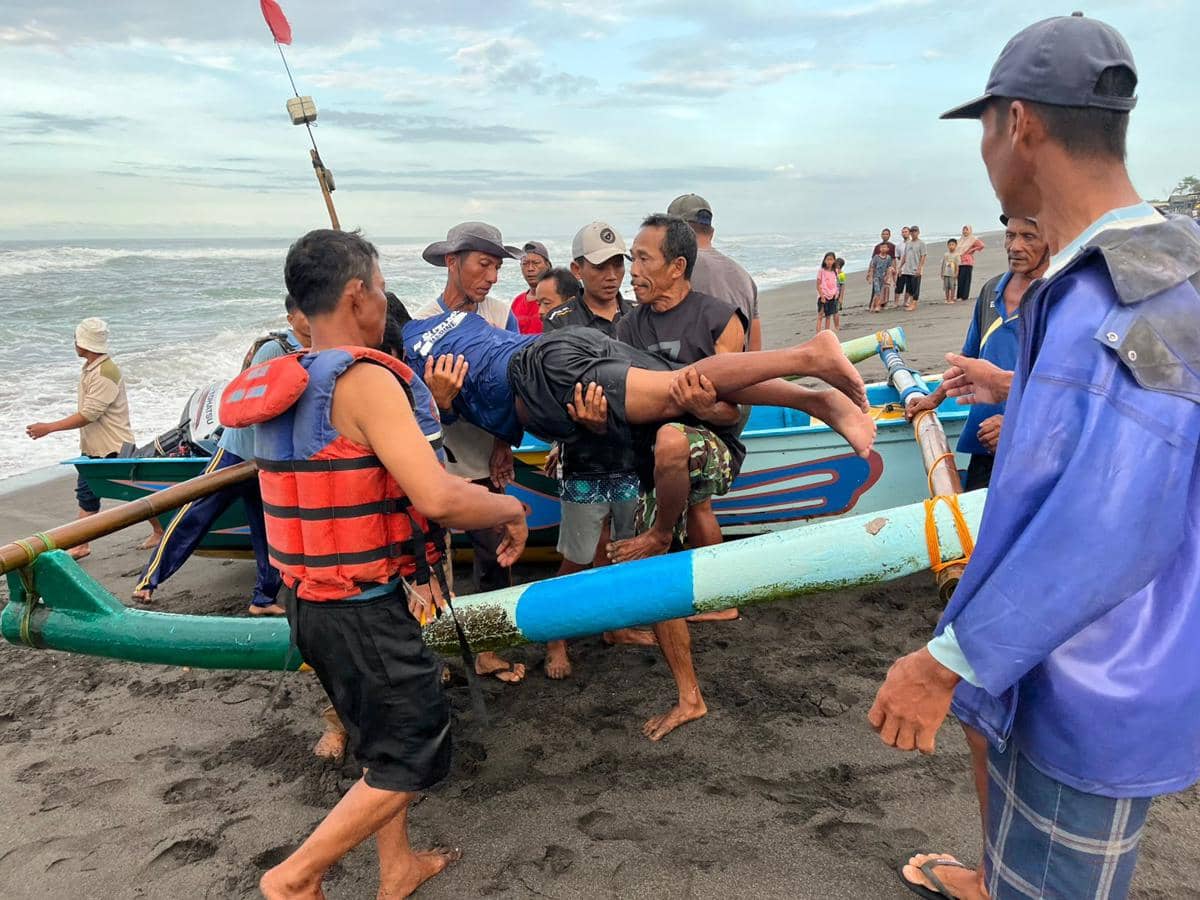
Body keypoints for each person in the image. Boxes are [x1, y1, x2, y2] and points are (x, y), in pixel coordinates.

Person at [868, 15, 1200, 900]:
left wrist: (946, 661)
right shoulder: (1150, 268)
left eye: (984, 126)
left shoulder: (1127, 298)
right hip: (1068, 663)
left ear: (1020, 123)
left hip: (1094, 681)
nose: (984, 147)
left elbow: (1112, 530)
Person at [229, 229, 527, 900]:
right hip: (360, 609)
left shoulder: (284, 380)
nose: (385, 296)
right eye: (380, 284)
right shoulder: (363, 381)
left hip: (309, 603)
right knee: (416, 751)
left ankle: (398, 865)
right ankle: (295, 878)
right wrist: (506, 511)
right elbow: (438, 497)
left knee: (377, 743)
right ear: (359, 294)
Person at [131, 298, 312, 615]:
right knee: (196, 515)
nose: (312, 320)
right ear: (291, 317)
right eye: (304, 314)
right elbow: (253, 402)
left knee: (269, 530)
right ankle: (148, 580)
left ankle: (263, 599)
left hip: (269, 459)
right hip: (238, 451)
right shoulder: (275, 348)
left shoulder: (318, 349)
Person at [414, 222, 530, 685]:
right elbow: (404, 412)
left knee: (494, 558)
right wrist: (437, 401)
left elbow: (519, 389)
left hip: (485, 462)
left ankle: (488, 649)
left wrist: (505, 443)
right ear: (452, 262)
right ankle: (437, 656)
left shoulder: (503, 316)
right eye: (484, 264)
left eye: (497, 267)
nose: (493, 277)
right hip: (434, 466)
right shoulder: (419, 324)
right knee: (431, 564)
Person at [540, 222, 638, 680]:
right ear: (578, 268)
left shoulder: (636, 316)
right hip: (583, 455)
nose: (611, 274)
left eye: (618, 263)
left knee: (620, 547)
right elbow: (548, 391)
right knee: (577, 553)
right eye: (600, 265)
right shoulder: (560, 323)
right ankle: (554, 636)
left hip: (631, 454)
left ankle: (613, 627)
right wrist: (572, 425)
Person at [907, 215, 1049, 491]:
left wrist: (1014, 423)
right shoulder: (990, 291)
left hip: (1035, 446)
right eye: (1010, 235)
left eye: (1028, 237)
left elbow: (1069, 386)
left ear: (1053, 240)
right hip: (984, 440)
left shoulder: (1062, 298)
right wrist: (933, 398)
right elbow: (968, 359)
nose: (1015, 246)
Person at [24, 317, 154, 560]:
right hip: (98, 446)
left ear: (85, 343)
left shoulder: (105, 373)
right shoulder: (93, 368)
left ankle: (86, 543)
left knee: (131, 492)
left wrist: (49, 428)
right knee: (93, 492)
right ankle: (83, 543)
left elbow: (89, 414)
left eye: (77, 339)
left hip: (113, 447)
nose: (74, 343)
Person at [667, 193, 762, 350]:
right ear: (711, 232)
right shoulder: (745, 277)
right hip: (739, 370)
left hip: (696, 373)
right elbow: (755, 352)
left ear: (673, 233)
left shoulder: (677, 272)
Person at [510, 240, 552, 334]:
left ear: (548, 265)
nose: (530, 269)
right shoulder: (517, 301)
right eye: (525, 264)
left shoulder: (557, 299)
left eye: (536, 263)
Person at [868, 228, 897, 311]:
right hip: (877, 273)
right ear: (881, 235)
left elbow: (893, 259)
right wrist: (869, 273)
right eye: (883, 234)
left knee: (886, 288)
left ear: (889, 235)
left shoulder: (892, 246)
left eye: (887, 234)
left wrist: (894, 271)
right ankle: (873, 305)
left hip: (887, 271)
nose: (885, 235)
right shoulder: (877, 247)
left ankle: (882, 304)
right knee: (876, 289)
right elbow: (872, 262)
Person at [955, 224, 986, 302]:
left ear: (970, 230)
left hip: (968, 262)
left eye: (966, 229)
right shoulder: (961, 239)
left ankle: (964, 296)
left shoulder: (973, 239)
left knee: (966, 279)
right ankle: (959, 295)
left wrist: (972, 250)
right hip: (959, 261)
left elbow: (982, 245)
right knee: (960, 279)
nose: (965, 231)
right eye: (964, 230)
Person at [899, 225, 927, 311]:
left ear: (918, 232)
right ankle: (910, 303)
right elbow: (904, 256)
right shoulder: (908, 243)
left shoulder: (921, 243)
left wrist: (920, 268)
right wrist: (900, 267)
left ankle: (914, 304)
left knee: (915, 287)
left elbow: (923, 256)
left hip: (916, 269)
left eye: (915, 231)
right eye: (912, 231)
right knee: (909, 288)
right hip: (907, 269)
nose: (913, 233)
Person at [816, 251, 839, 332]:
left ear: (834, 261)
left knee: (828, 316)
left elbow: (836, 283)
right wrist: (822, 296)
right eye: (828, 259)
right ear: (824, 260)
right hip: (823, 296)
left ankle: (827, 332)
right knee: (820, 315)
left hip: (832, 296)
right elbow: (818, 285)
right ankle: (818, 334)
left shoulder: (835, 271)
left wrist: (836, 293)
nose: (829, 262)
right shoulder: (821, 271)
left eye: (831, 260)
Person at [893, 225, 913, 307]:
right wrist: (899, 267)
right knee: (899, 286)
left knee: (909, 286)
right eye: (903, 232)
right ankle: (896, 302)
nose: (904, 233)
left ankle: (905, 301)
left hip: (911, 268)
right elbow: (898, 256)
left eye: (906, 232)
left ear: (909, 233)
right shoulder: (899, 245)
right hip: (902, 268)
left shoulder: (913, 243)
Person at [940, 238, 960, 304]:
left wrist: (956, 273)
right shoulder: (945, 254)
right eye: (950, 245)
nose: (951, 246)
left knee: (952, 286)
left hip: (952, 273)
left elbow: (957, 265)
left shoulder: (957, 255)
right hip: (946, 273)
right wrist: (942, 272)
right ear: (947, 246)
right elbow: (943, 264)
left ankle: (952, 298)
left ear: (956, 245)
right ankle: (947, 298)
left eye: (953, 245)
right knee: (946, 287)